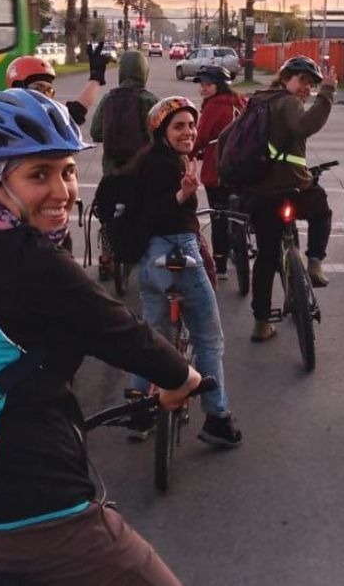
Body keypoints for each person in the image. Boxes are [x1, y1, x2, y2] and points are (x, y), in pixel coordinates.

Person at [0, 88, 202, 586]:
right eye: (38, 174)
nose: (63, 191)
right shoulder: (25, 258)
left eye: (66, 170)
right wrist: (183, 377)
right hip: (22, 514)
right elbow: (119, 330)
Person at [124, 96, 242, 447]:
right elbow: (160, 211)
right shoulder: (164, 166)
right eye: (179, 126)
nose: (188, 131)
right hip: (178, 251)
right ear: (162, 130)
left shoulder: (148, 161)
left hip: (149, 260)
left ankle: (139, 411)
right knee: (208, 339)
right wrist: (182, 194)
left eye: (191, 124)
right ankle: (217, 418)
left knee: (152, 337)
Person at [242, 56, 336, 342]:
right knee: (321, 211)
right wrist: (327, 93)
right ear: (285, 79)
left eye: (311, 84)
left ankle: (261, 323)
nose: (306, 87)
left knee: (266, 259)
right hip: (292, 188)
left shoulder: (257, 101)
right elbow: (303, 126)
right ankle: (315, 262)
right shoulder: (288, 102)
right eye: (302, 81)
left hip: (259, 192)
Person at [89, 49, 157, 279]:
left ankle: (106, 259)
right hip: (142, 172)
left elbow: (96, 132)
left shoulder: (109, 97)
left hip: (112, 170)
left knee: (107, 214)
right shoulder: (148, 99)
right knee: (149, 209)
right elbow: (160, 134)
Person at [193, 64, 247, 277]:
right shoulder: (241, 102)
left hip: (217, 169)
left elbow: (200, 137)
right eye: (202, 85)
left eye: (208, 84)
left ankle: (220, 263)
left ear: (220, 85)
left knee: (218, 216)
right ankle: (243, 243)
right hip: (244, 166)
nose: (203, 89)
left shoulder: (215, 106)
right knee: (240, 211)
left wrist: (185, 156)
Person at [5, 40, 111, 125]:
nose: (44, 96)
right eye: (38, 88)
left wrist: (96, 77)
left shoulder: (49, 117)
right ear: (17, 86)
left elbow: (77, 112)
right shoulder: (2, 116)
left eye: (49, 91)